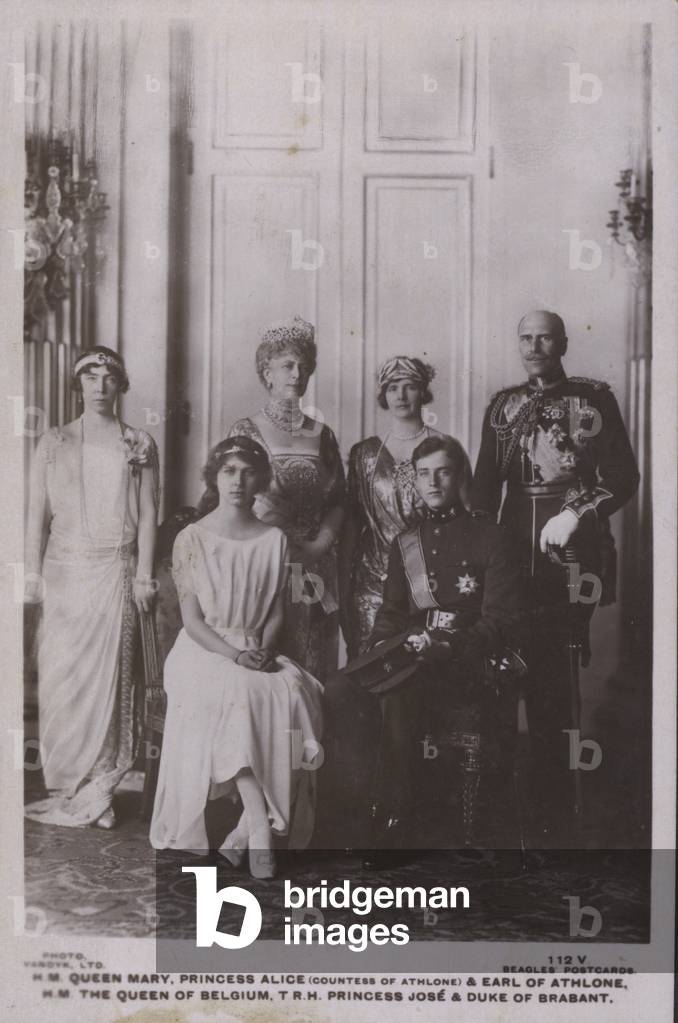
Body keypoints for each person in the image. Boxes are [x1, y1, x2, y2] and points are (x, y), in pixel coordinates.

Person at [471, 309, 640, 841]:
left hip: (572, 553)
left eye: (545, 337)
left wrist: (577, 513)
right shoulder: (503, 406)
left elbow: (623, 477)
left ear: (563, 342)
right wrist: (478, 555)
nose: (535, 346)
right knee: (500, 667)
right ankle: (499, 817)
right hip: (511, 549)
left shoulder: (594, 399)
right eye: (526, 338)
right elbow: (482, 489)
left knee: (555, 676)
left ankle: (554, 816)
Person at [321, 435, 525, 853]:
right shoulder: (406, 542)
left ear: (460, 476)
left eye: (443, 472)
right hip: (414, 652)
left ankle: (398, 823)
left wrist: (447, 648)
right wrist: (379, 651)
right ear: (414, 481)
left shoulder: (492, 536)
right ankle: (358, 811)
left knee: (401, 693)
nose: (433, 482)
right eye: (424, 474)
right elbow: (393, 614)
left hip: (468, 659)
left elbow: (501, 621)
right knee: (340, 689)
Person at [149, 437, 323, 879]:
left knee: (297, 692)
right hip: (203, 650)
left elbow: (275, 612)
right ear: (215, 476)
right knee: (240, 693)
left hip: (253, 648)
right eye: (229, 472)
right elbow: (192, 621)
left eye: (247, 473)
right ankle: (260, 824)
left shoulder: (274, 539)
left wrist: (262, 647)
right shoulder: (191, 537)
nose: (238, 482)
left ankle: (242, 833)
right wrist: (235, 655)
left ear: (260, 480)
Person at [24, 346, 159, 829]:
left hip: (114, 573)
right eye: (90, 377)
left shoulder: (139, 442)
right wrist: (31, 572)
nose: (100, 387)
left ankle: (100, 786)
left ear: (121, 385)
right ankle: (67, 784)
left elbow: (147, 518)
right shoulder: (54, 441)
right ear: (78, 384)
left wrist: (145, 574)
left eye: (108, 378)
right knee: (63, 675)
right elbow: (35, 513)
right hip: (64, 570)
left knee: (110, 682)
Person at [227, 316, 345, 677]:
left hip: (314, 563)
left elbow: (339, 499)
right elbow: (231, 501)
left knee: (313, 662)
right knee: (267, 659)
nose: (298, 374)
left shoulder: (321, 433)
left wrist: (319, 544)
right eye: (287, 366)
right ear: (267, 373)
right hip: (263, 561)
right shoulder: (245, 430)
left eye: (303, 366)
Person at [339, 356, 472, 659]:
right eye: (392, 388)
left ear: (422, 392)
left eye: (409, 387)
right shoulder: (365, 454)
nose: (400, 396)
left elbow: (469, 519)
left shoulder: (446, 447)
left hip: (431, 583)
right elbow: (351, 525)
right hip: (371, 584)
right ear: (383, 394)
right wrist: (345, 589)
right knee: (371, 671)